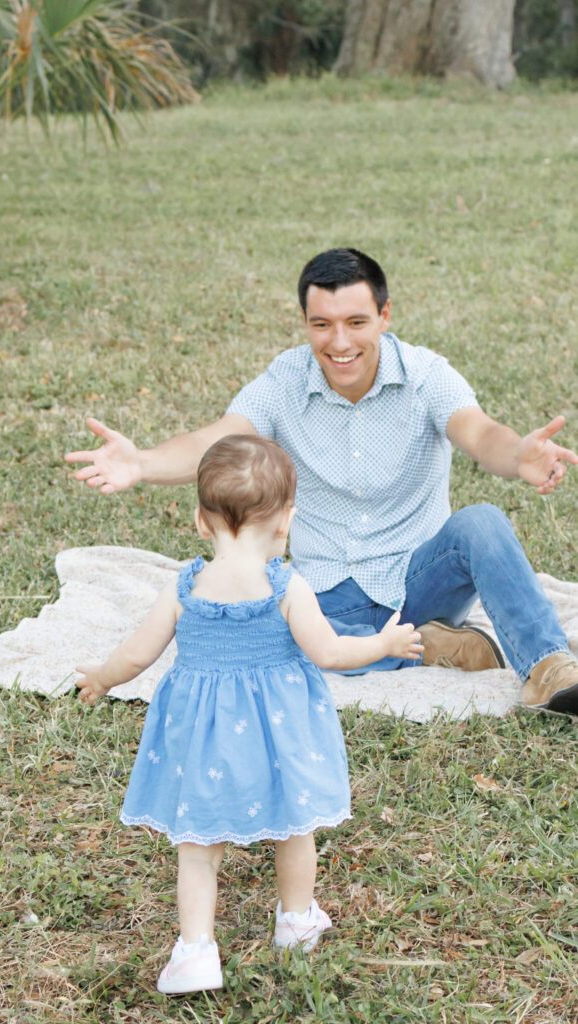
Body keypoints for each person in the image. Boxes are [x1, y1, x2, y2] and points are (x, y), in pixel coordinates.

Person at [66, 247, 578, 714]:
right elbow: (220, 439)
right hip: (327, 593)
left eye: (356, 322)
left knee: (481, 523)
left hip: (420, 579)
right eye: (322, 325)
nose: (339, 343)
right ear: (305, 323)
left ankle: (549, 669)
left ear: (385, 315)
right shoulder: (283, 382)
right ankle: (431, 646)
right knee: (256, 633)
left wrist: (517, 455)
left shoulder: (425, 374)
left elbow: (480, 433)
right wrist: (143, 463)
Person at [76, 435, 423, 994]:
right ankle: (296, 918)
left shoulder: (185, 586)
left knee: (197, 844)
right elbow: (331, 653)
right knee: (294, 827)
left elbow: (138, 653)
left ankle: (194, 951)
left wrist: (100, 676)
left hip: (203, 740)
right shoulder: (287, 586)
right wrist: (383, 643)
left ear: (199, 520)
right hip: (280, 738)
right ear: (286, 522)